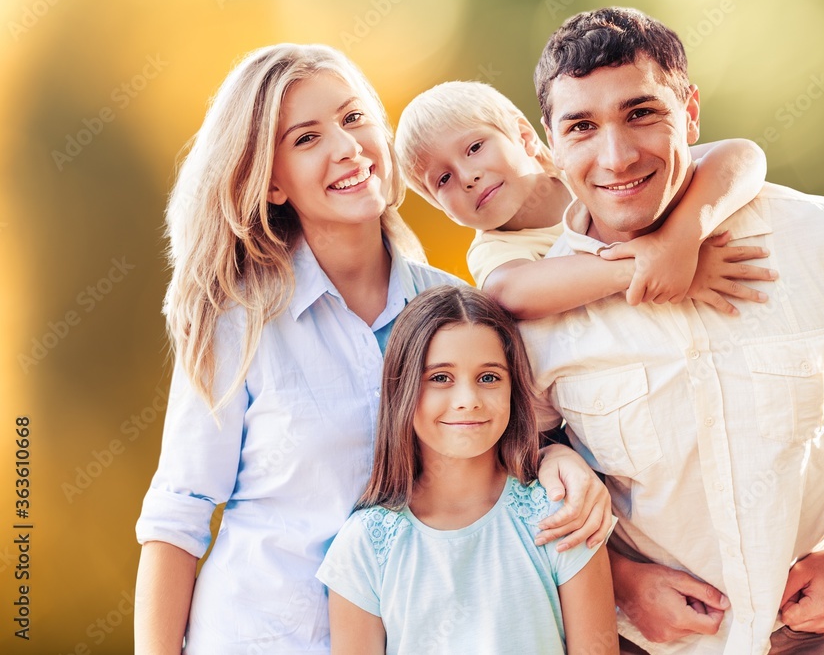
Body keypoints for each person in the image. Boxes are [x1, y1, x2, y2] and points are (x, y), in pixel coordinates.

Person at [133, 43, 610, 654]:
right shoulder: (240, 322)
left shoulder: (457, 311)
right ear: (271, 183)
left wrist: (555, 458)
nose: (346, 147)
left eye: (354, 118)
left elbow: (510, 455)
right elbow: (178, 515)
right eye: (306, 138)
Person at [519, 7, 824, 655]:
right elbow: (501, 484)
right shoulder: (533, 323)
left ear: (690, 111)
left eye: (642, 113)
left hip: (807, 641)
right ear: (551, 142)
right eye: (582, 126)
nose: (615, 155)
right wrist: (615, 584)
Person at [316, 285, 619, 654]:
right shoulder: (364, 545)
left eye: (489, 377)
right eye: (440, 377)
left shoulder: (560, 517)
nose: (468, 401)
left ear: (513, 388)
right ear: (403, 389)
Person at [395, 80, 776, 319]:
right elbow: (510, 292)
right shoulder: (495, 249)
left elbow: (742, 155)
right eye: (442, 179)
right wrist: (652, 265)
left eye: (475, 147)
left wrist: (680, 240)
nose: (468, 177)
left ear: (525, 137)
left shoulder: (592, 170)